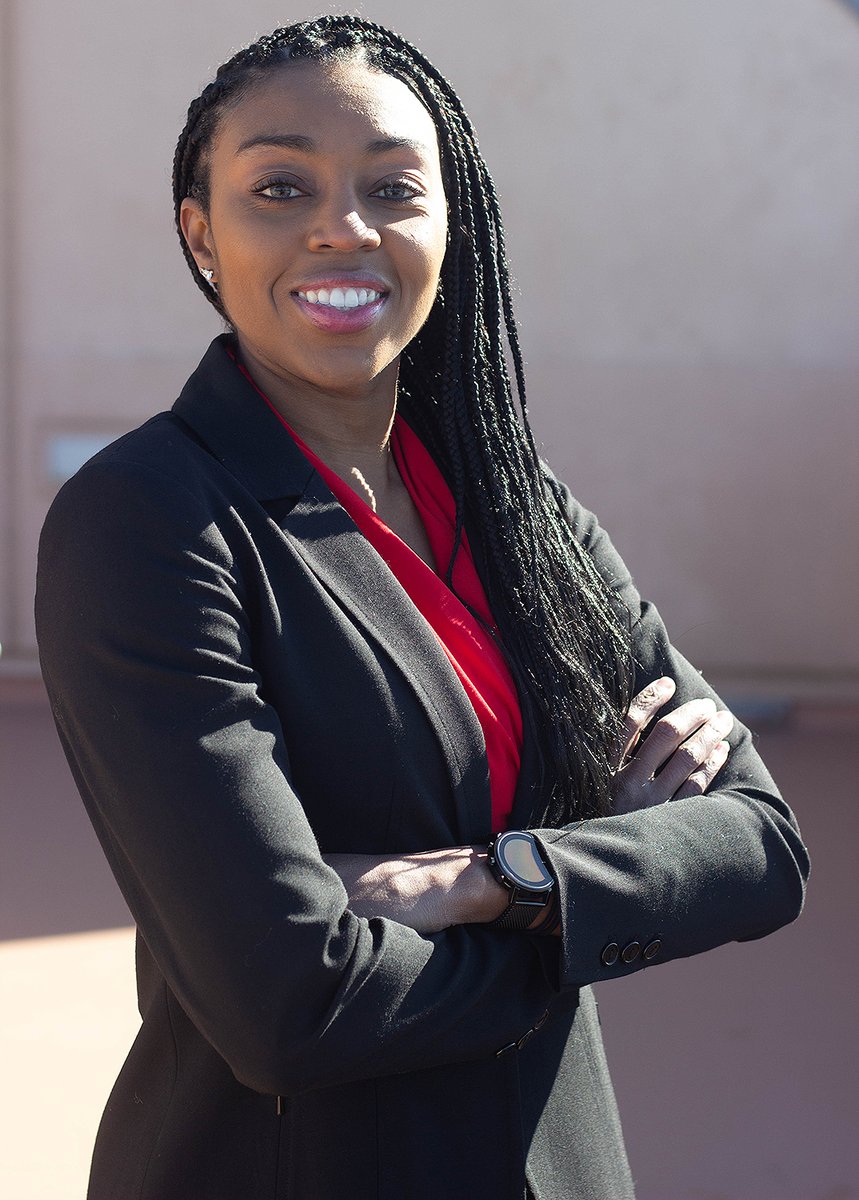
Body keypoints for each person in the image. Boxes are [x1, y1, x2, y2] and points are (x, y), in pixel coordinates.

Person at [35, 16, 808, 1200]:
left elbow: (760, 846)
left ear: (451, 225)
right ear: (201, 232)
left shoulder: (517, 511)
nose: (342, 229)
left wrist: (501, 881)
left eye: (392, 187)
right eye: (279, 186)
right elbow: (292, 1003)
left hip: (559, 1159)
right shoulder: (147, 522)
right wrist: (611, 884)